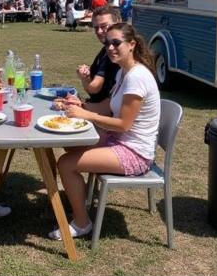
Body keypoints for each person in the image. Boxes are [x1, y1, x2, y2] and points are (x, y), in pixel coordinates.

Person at [53, 22, 161, 239]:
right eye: (107, 44)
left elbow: (123, 124)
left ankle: (82, 222)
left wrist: (88, 115)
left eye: (116, 43)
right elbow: (107, 106)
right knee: (71, 145)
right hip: (120, 141)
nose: (110, 48)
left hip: (135, 153)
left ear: (131, 45)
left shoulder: (136, 77)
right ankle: (80, 200)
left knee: (65, 164)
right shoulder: (124, 72)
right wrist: (79, 105)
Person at [76, 4, 122, 102]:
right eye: (96, 28)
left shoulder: (117, 54)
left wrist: (84, 78)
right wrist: (86, 75)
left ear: (118, 23)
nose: (99, 31)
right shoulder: (105, 51)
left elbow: (94, 88)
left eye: (104, 26)